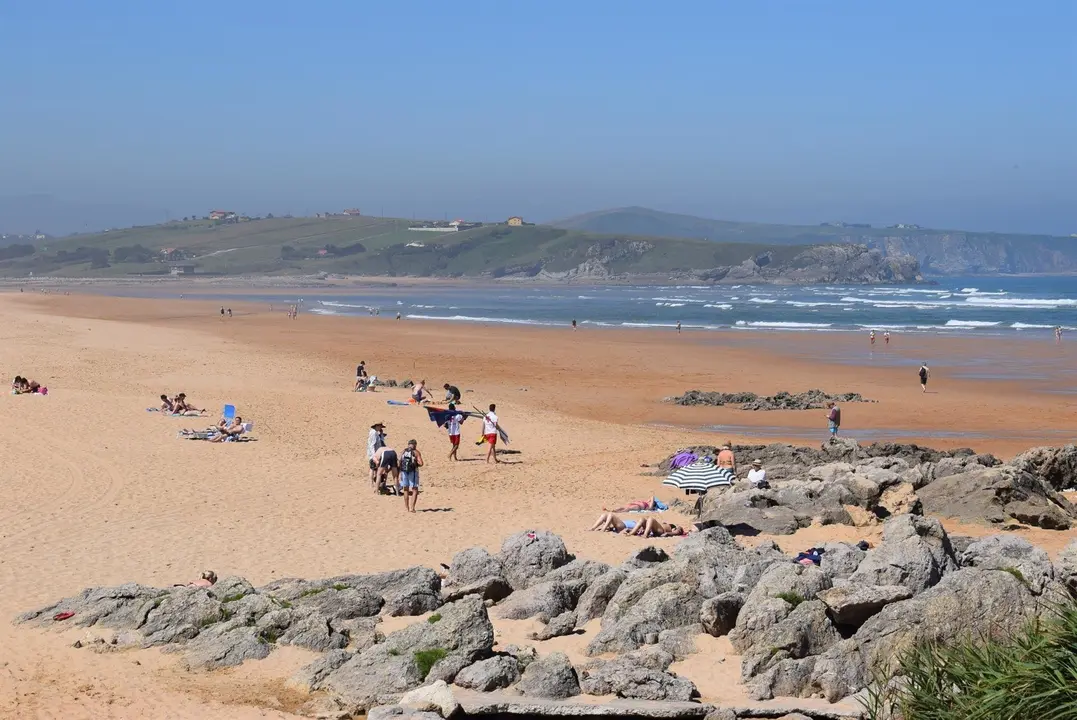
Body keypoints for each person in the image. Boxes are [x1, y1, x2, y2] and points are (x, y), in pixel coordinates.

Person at [398, 439, 424, 512]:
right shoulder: (416, 452)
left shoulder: (404, 451)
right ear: (415, 444)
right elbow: (421, 463)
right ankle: (412, 508)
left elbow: (399, 460)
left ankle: (407, 508)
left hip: (404, 471)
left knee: (405, 489)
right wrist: (416, 464)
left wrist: (400, 471)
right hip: (413, 472)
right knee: (414, 489)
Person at [367, 422, 386, 487]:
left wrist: (381, 434)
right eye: (380, 427)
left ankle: (374, 483)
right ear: (377, 426)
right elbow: (372, 445)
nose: (380, 428)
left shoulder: (375, 433)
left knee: (375, 468)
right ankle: (371, 483)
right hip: (374, 454)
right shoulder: (373, 433)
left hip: (375, 453)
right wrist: (374, 455)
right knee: (372, 468)